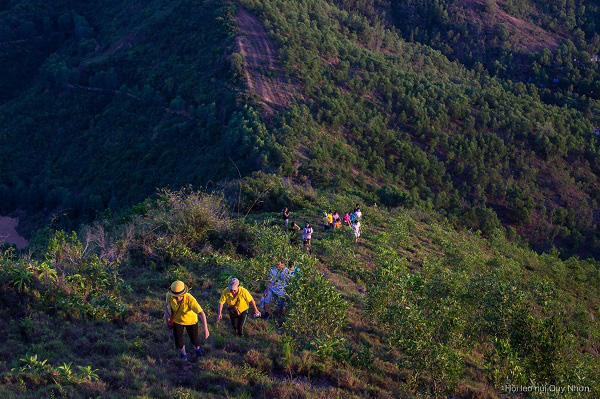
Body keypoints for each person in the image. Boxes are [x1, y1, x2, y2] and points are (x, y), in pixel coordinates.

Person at [164, 281, 210, 361]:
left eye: (180, 296)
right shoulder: (169, 296)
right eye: (175, 296)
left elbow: (201, 313)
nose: (178, 298)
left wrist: (205, 329)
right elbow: (166, 306)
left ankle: (197, 349)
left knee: (194, 339)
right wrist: (168, 318)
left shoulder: (190, 299)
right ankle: (183, 354)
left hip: (191, 321)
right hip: (177, 321)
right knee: (178, 339)